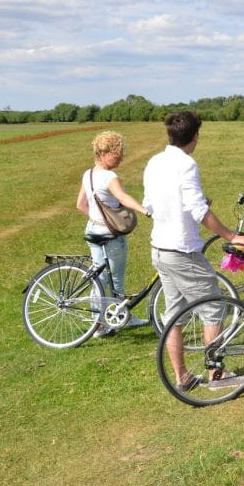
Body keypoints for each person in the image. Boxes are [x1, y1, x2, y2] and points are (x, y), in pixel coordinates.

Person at [143, 111, 244, 391]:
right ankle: (216, 376)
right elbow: (198, 211)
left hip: (159, 248)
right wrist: (232, 235)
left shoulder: (154, 162)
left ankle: (183, 377)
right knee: (214, 308)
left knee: (175, 316)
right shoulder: (187, 165)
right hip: (183, 251)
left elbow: (150, 205)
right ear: (195, 136)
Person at [76, 130, 151, 336]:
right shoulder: (109, 176)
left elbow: (80, 204)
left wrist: (97, 218)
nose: (121, 157)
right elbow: (123, 197)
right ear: (104, 152)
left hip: (93, 230)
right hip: (110, 235)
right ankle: (116, 317)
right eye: (117, 153)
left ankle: (99, 321)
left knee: (98, 277)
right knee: (115, 278)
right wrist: (145, 210)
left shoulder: (88, 174)